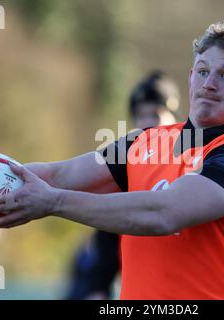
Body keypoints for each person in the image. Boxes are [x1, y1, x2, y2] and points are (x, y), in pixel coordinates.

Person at [0, 18, 224, 299]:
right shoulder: (144, 141)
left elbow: (163, 214)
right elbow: (58, 175)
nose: (209, 84)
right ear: (191, 77)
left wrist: (52, 202)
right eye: (203, 71)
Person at [65, 71, 179, 300]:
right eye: (140, 115)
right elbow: (108, 234)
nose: (148, 123)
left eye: (156, 114)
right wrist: (96, 288)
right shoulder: (128, 168)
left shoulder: (192, 162)